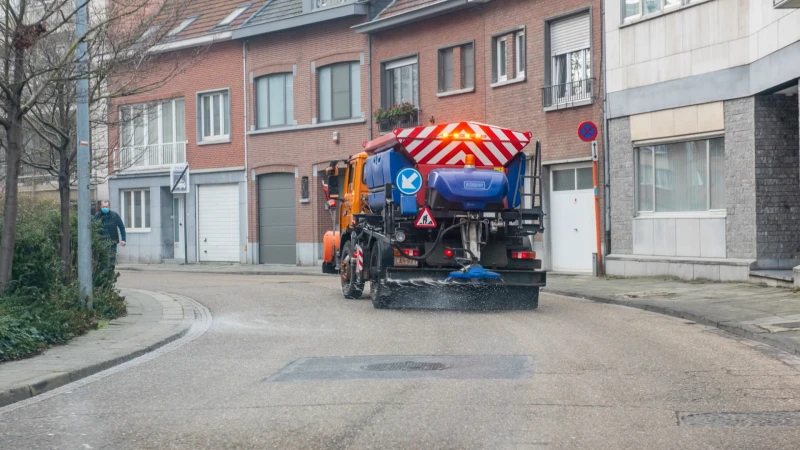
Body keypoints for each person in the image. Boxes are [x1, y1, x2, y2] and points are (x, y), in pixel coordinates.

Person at [93, 200, 126, 273]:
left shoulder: (114, 215)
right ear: (100, 207)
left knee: (111, 260)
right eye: (103, 207)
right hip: (101, 243)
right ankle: (104, 277)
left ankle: (110, 275)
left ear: (109, 207)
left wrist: (123, 239)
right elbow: (92, 228)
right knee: (103, 261)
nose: (105, 208)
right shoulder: (97, 216)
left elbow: (121, 227)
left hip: (112, 242)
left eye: (106, 207)